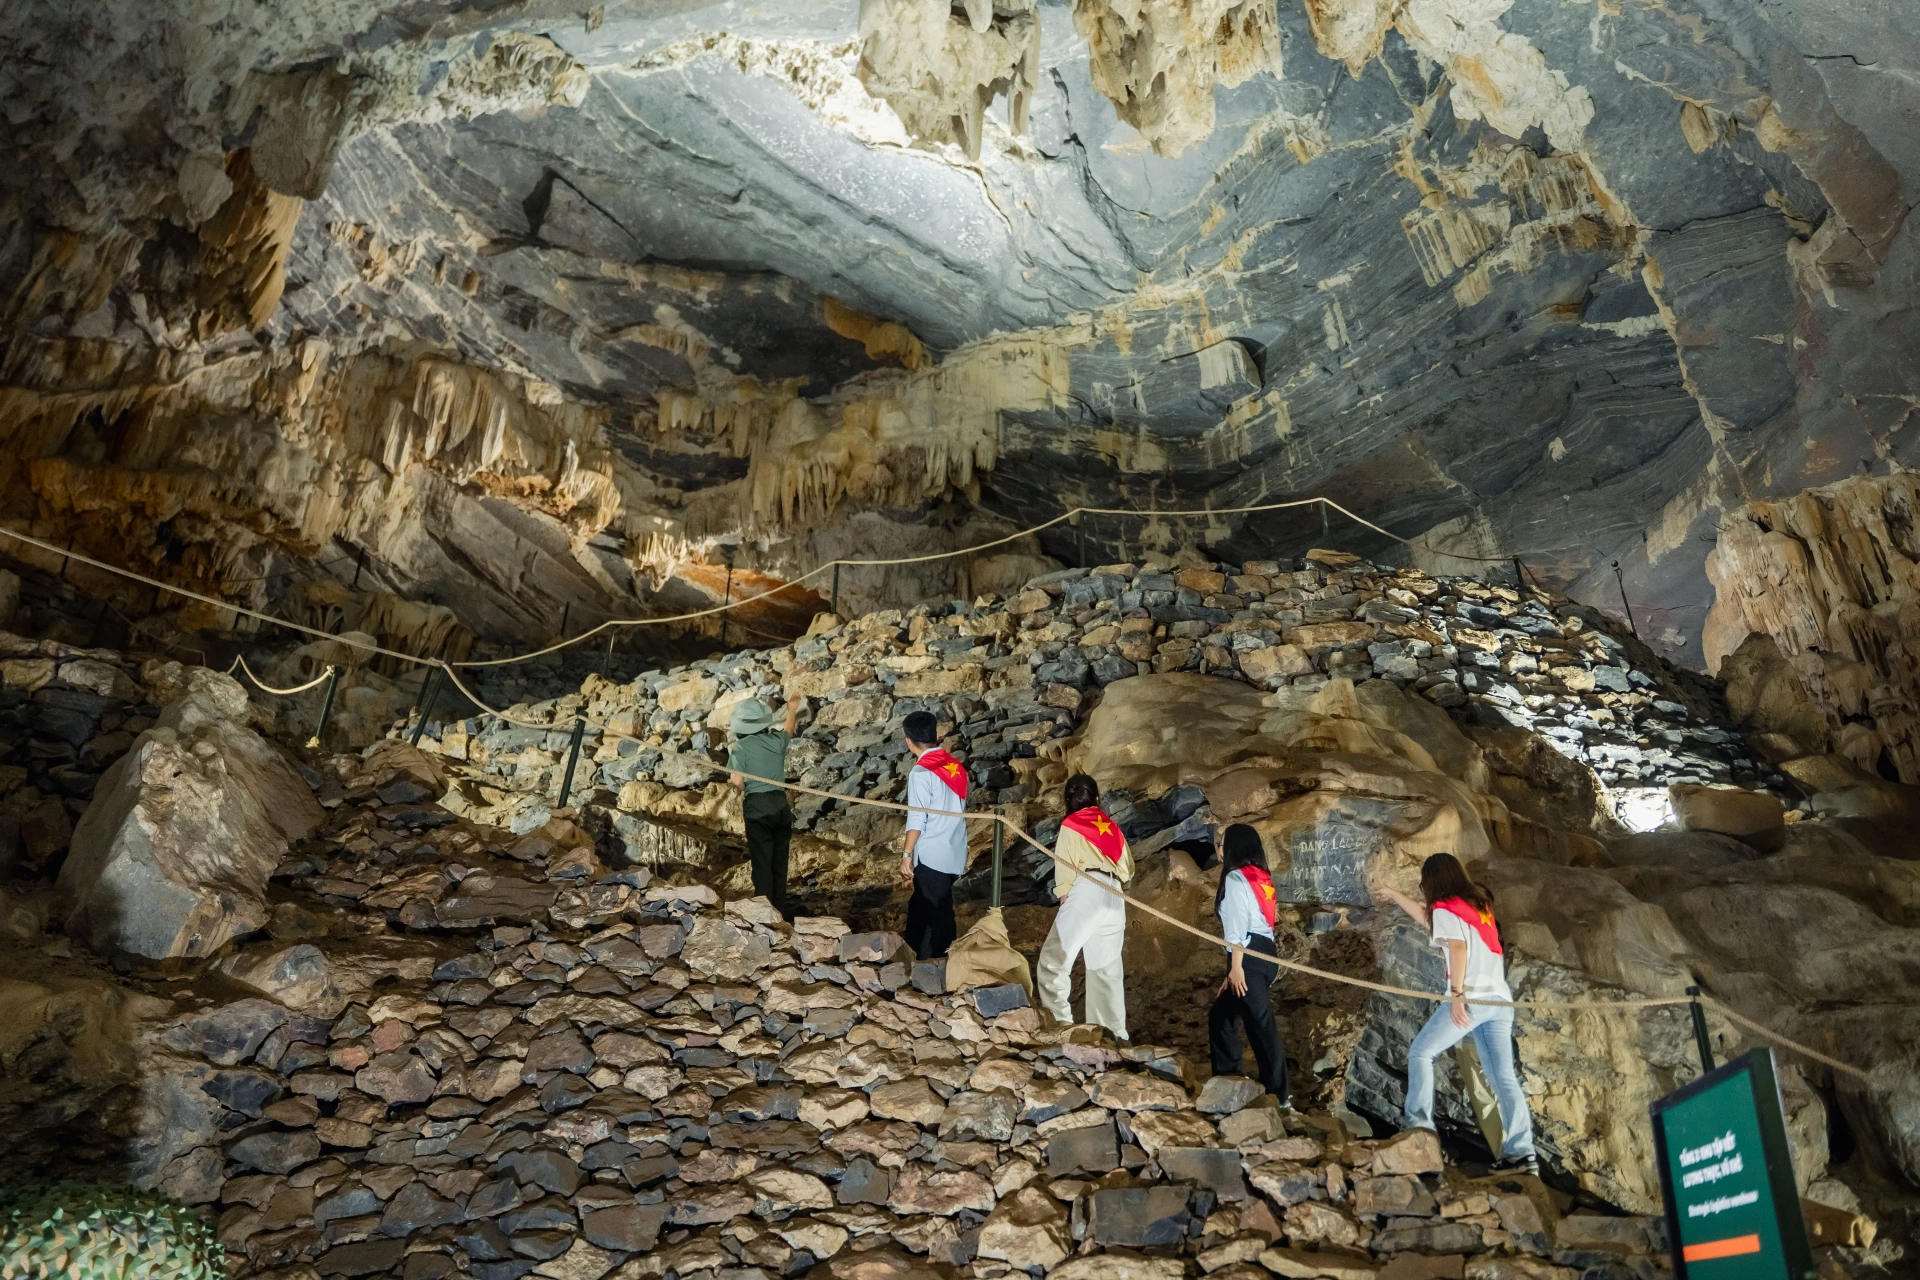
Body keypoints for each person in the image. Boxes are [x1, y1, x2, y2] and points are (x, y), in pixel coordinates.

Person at [1374, 852, 1539, 1175]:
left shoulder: (1444, 908)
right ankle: (1522, 1153)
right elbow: (1429, 919)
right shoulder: (1476, 907)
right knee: (1502, 1077)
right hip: (1499, 1000)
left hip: (1473, 998)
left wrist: (1457, 995)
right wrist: (1394, 895)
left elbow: (1458, 948)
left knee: (1422, 1052)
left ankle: (1419, 1128)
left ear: (1432, 882)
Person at [1035, 773, 1134, 1041]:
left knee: (1053, 963)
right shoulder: (1112, 827)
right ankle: (1113, 1038)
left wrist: (1067, 898)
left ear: (1068, 801)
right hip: (1116, 893)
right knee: (1106, 973)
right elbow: (1128, 868)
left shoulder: (1071, 824)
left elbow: (1065, 871)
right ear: (1097, 798)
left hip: (1088, 887)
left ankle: (1061, 1027)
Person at [1208, 824, 1290, 1104]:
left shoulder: (1235, 878)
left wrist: (1236, 966)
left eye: (1222, 844)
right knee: (1221, 1016)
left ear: (1233, 847)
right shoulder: (1260, 877)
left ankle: (1280, 1097)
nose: (1219, 849)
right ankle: (1227, 1077)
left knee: (1261, 1026)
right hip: (1265, 955)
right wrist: (1233, 967)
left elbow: (1238, 927)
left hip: (1249, 957)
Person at [727, 693, 804, 918]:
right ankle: (779, 908)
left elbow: (737, 781)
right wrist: (792, 709)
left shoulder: (740, 748)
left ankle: (764, 912)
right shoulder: (775, 741)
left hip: (757, 807)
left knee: (762, 862)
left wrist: (745, 789)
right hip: (780, 805)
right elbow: (789, 730)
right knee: (779, 861)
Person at [900, 709, 967, 960]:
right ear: (935, 734)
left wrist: (907, 854)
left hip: (932, 854)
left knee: (939, 913)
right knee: (920, 907)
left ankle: (940, 963)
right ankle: (912, 953)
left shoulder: (921, 773)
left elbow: (917, 818)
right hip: (953, 851)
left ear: (909, 741)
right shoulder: (955, 766)